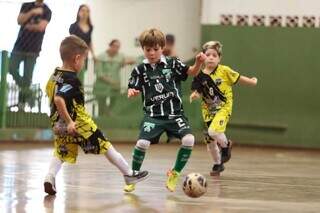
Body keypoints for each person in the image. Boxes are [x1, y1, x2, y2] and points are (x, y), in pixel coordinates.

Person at [43, 35, 149, 195]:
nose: (84, 63)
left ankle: (49, 177)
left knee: (61, 151)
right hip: (79, 124)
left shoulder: (55, 74)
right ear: (77, 59)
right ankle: (128, 174)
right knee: (105, 145)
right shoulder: (71, 79)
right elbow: (59, 99)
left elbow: (51, 93)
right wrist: (71, 122)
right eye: (84, 59)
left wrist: (64, 121)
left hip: (58, 124)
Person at [124, 28, 206, 193]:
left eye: (156, 49)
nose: (152, 53)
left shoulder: (173, 63)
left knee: (189, 140)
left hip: (175, 114)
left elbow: (191, 72)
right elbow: (131, 88)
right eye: (148, 50)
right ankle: (132, 176)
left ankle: (174, 173)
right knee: (142, 143)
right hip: (153, 116)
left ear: (162, 47)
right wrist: (132, 91)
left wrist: (198, 63)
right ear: (143, 49)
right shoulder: (139, 70)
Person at [190, 41, 258, 176]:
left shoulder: (224, 70)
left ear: (219, 58)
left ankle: (226, 146)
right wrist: (195, 94)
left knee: (213, 131)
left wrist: (252, 81)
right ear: (202, 57)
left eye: (214, 55)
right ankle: (218, 164)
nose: (210, 57)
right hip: (208, 111)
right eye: (207, 54)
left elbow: (238, 78)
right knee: (210, 142)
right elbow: (198, 90)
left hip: (223, 107)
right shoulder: (200, 75)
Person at [9, 0, 51, 107]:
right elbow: (19, 20)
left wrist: (28, 26)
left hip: (34, 49)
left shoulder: (47, 11)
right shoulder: (26, 5)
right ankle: (30, 94)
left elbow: (41, 27)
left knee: (27, 78)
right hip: (19, 46)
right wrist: (32, 12)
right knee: (11, 67)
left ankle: (21, 105)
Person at [93, 39, 135, 116]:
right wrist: (111, 82)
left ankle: (109, 116)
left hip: (115, 86)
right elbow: (99, 74)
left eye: (118, 47)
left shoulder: (120, 56)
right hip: (102, 86)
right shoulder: (100, 57)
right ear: (110, 46)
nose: (116, 49)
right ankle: (102, 120)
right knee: (101, 106)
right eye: (114, 46)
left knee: (114, 103)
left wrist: (126, 61)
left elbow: (133, 60)